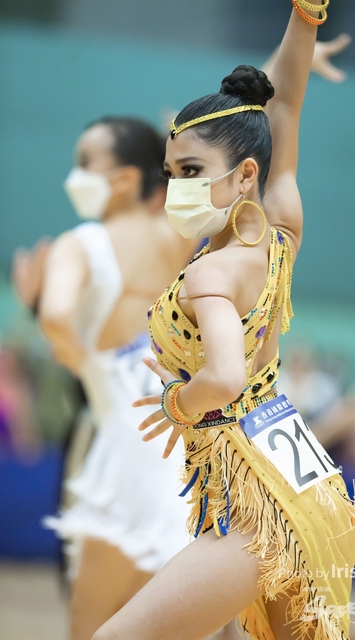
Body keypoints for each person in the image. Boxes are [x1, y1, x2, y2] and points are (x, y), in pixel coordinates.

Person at [93, 3, 355, 640]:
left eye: (191, 172)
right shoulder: (282, 230)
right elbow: (283, 110)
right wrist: (305, 20)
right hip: (304, 490)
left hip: (252, 506)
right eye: (172, 173)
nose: (177, 188)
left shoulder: (209, 274)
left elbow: (226, 377)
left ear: (244, 175)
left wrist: (178, 403)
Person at [39, 116, 198, 640]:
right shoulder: (174, 238)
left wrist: (80, 359)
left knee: (92, 624)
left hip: (125, 450)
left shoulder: (80, 243)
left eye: (85, 162)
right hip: (182, 442)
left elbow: (56, 316)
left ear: (126, 178)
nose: (75, 174)